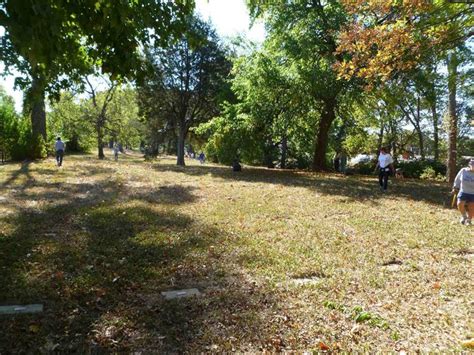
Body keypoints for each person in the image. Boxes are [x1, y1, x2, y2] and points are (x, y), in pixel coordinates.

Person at [452, 158, 474, 225]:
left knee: (472, 207)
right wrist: (455, 187)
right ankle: (464, 217)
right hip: (463, 191)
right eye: (472, 164)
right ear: (469, 165)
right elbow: (457, 179)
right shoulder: (463, 170)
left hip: (473, 193)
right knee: (459, 203)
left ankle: (469, 220)